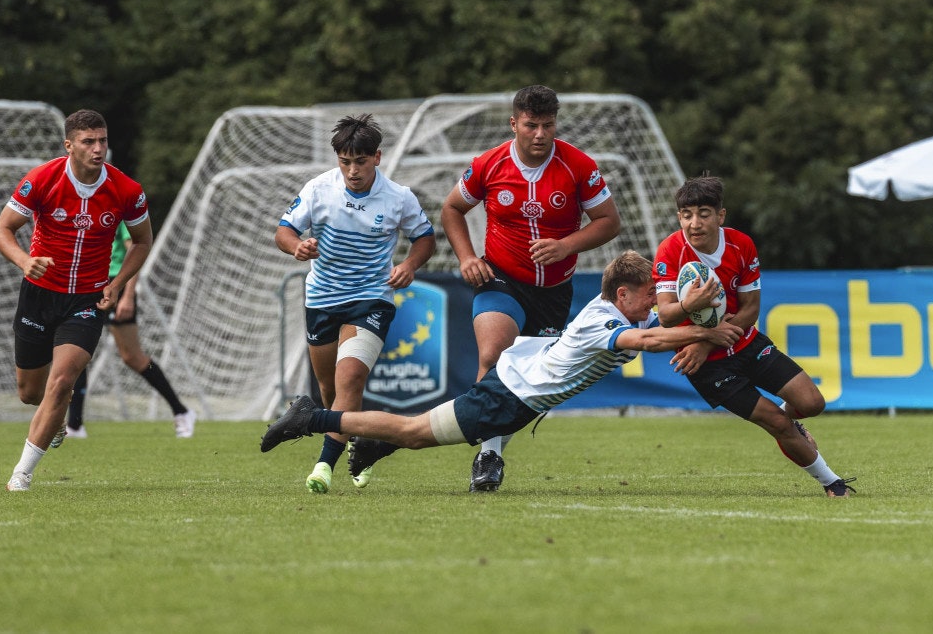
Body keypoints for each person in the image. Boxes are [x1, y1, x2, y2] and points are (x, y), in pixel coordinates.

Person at [259, 251, 743, 484]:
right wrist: (707, 331)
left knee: (421, 429)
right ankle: (310, 418)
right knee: (411, 430)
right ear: (622, 295)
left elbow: (660, 319)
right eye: (645, 296)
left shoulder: (613, 310)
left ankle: (370, 448)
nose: (652, 304)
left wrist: (692, 305)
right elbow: (651, 337)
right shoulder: (608, 323)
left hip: (516, 386)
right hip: (509, 396)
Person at [439, 85, 621, 492]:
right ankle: (488, 456)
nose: (540, 134)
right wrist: (468, 257)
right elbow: (452, 208)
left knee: (530, 384)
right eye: (531, 125)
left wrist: (565, 246)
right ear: (514, 124)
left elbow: (609, 221)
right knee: (493, 351)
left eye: (548, 125)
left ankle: (493, 440)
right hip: (500, 277)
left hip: (555, 290)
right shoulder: (488, 164)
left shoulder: (578, 166)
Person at [651, 175, 855, 498]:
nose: (694, 222)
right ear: (679, 217)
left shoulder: (741, 245)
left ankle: (793, 424)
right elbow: (665, 316)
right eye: (687, 214)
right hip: (707, 367)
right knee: (775, 422)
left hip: (744, 342)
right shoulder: (670, 251)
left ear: (721, 215)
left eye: (704, 213)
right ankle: (833, 483)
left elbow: (751, 308)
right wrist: (692, 307)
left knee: (812, 402)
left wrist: (708, 340)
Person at [275, 113, 436, 494]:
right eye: (345, 162)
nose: (352, 171)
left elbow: (424, 238)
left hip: (370, 299)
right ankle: (359, 447)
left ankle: (323, 466)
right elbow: (284, 231)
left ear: (377, 157)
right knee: (329, 392)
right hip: (322, 300)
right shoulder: (318, 190)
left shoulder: (399, 197)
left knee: (351, 378)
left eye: (360, 162)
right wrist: (297, 246)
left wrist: (410, 265)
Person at [0, 109, 152, 491]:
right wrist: (25, 261)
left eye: (103, 140)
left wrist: (118, 283)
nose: (98, 149)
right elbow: (2, 230)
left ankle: (22, 474)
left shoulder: (126, 189)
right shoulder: (42, 180)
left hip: (86, 299)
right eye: (88, 142)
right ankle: (56, 418)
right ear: (69, 146)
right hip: (39, 295)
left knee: (63, 382)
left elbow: (143, 241)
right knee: (31, 393)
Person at [64, 221, 195, 440]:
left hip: (117, 285)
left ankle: (182, 411)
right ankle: (75, 424)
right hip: (89, 284)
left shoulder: (120, 210)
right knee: (78, 352)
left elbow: (135, 250)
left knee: (133, 357)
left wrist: (127, 296)